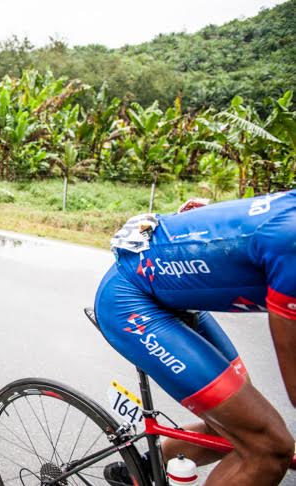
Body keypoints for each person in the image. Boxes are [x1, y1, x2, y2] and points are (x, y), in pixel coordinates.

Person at [95, 192, 295, 485]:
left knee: (235, 422)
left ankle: (142, 471)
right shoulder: (290, 244)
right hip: (130, 301)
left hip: (174, 297)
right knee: (268, 446)